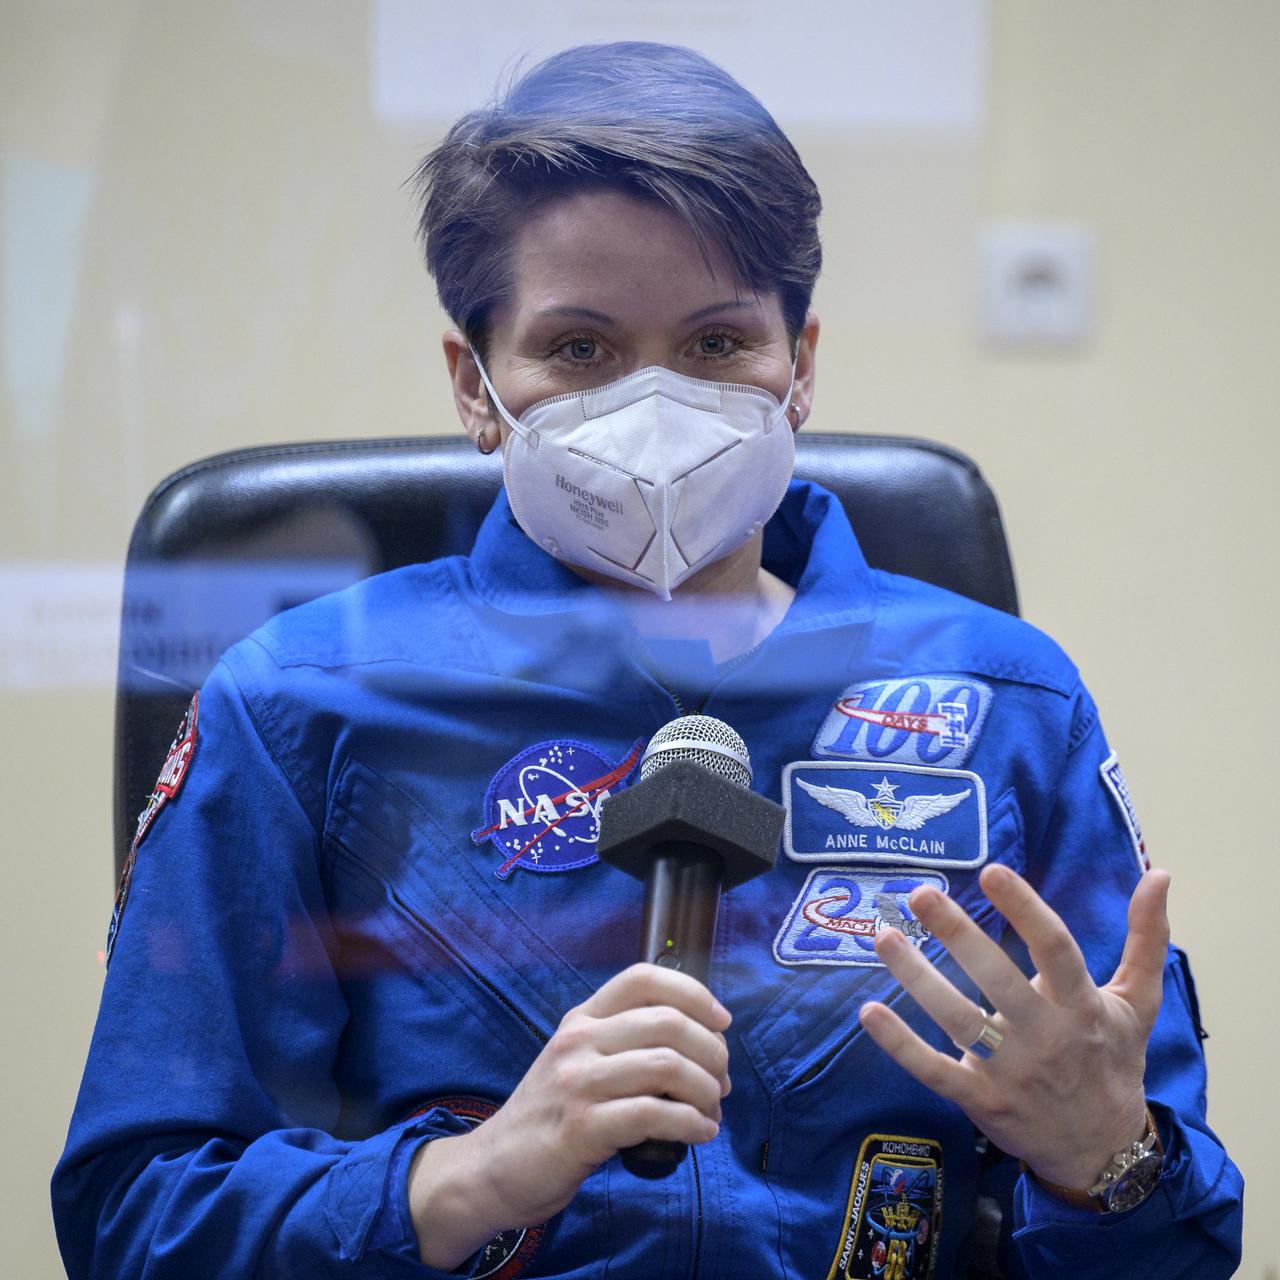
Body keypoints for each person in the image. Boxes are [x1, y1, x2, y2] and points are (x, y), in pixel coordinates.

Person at [54, 41, 1242, 1279]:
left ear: (800, 368)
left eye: (718, 343)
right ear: (474, 386)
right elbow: (134, 1218)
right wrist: (465, 1177)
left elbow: (1181, 1238)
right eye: (579, 349)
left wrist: (1105, 1158)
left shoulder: (1007, 701)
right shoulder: (302, 698)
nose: (655, 404)